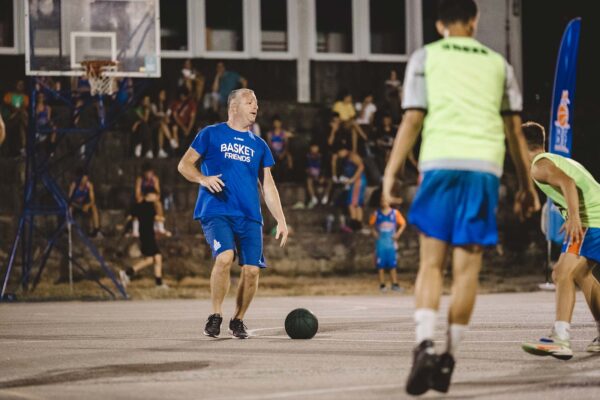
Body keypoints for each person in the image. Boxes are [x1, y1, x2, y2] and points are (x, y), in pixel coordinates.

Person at [382, 0, 539, 395]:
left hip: (439, 164)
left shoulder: (425, 56)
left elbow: (413, 118)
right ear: (474, 20)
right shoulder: (498, 64)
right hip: (483, 168)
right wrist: (526, 187)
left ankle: (423, 346)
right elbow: (515, 134)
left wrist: (391, 173)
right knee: (467, 271)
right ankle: (449, 357)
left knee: (431, 265)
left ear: (438, 23)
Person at [177, 88, 288, 339]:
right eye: (250, 101)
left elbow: (268, 186)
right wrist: (203, 179)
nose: (255, 106)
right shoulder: (211, 134)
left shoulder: (259, 145)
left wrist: (281, 219)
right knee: (225, 257)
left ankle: (238, 319)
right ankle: (215, 314)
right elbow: (184, 165)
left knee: (252, 271)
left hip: (250, 215)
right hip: (217, 210)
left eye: (257, 102)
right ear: (233, 106)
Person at [520, 122, 600, 359]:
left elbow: (568, 183)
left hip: (592, 221)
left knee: (563, 273)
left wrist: (574, 216)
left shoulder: (539, 166)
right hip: (593, 219)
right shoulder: (552, 159)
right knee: (579, 274)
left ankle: (561, 338)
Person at [119, 198, 168, 290]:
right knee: (151, 258)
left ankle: (158, 282)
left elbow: (131, 217)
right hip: (147, 236)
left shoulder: (141, 206)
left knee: (156, 258)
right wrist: (158, 206)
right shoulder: (148, 206)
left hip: (147, 235)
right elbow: (160, 218)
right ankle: (127, 273)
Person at [370, 197, 406, 292]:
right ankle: (382, 285)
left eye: (385, 200)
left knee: (392, 264)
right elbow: (371, 224)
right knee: (380, 265)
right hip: (381, 243)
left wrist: (398, 234)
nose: (384, 203)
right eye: (382, 201)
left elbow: (403, 224)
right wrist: (374, 233)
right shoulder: (377, 214)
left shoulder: (395, 213)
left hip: (391, 243)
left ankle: (394, 283)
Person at [333, 147, 367, 231]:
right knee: (357, 204)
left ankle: (355, 225)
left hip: (357, 182)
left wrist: (353, 179)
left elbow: (361, 167)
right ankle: (358, 225)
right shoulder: (344, 159)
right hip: (354, 182)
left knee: (351, 203)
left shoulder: (353, 156)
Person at [135, 163, 170, 236]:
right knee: (139, 205)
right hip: (143, 199)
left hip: (152, 199)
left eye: (150, 172)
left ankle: (160, 228)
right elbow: (137, 196)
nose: (149, 174)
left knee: (158, 205)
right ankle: (137, 229)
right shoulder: (140, 180)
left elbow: (158, 194)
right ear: (144, 173)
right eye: (147, 172)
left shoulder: (155, 179)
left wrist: (153, 197)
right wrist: (145, 197)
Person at [68, 168, 101, 238]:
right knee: (70, 208)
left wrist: (88, 205)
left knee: (94, 207)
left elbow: (92, 199)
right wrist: (75, 205)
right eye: (84, 177)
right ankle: (68, 229)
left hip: (84, 205)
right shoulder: (74, 185)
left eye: (86, 177)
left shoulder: (89, 185)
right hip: (75, 205)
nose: (85, 179)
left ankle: (97, 230)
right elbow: (69, 200)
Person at [151, 89, 177, 158]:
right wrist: (164, 115)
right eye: (162, 94)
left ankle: (160, 150)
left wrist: (165, 116)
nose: (164, 96)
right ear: (158, 95)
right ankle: (171, 139)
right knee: (161, 123)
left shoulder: (166, 105)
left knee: (161, 129)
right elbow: (155, 114)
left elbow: (168, 114)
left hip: (163, 126)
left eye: (164, 94)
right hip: (153, 124)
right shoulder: (153, 104)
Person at [266, 115, 293, 182]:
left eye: (278, 122)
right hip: (273, 154)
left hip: (282, 154)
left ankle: (287, 179)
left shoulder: (284, 134)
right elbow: (268, 146)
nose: (276, 124)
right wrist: (273, 154)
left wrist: (283, 154)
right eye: (275, 122)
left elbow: (286, 146)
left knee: (288, 159)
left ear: (280, 123)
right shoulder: (270, 134)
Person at [305, 143, 331, 208]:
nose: (314, 149)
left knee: (330, 181)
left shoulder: (322, 157)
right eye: (313, 148)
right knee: (309, 181)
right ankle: (313, 198)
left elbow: (325, 168)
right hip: (311, 176)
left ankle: (326, 196)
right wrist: (310, 173)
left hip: (320, 176)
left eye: (316, 148)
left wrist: (321, 176)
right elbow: (305, 169)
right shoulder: (307, 157)